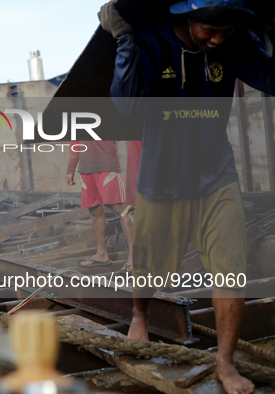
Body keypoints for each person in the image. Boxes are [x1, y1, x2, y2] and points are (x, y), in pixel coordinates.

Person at [102, 0, 275, 392]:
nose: (217, 40)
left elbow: (270, 78)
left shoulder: (235, 43)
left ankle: (225, 364)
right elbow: (127, 106)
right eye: (208, 31)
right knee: (148, 270)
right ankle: (140, 315)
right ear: (185, 18)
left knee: (231, 270)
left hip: (217, 177)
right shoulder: (149, 42)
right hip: (161, 182)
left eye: (225, 33)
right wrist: (124, 39)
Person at [66, 141, 134, 273]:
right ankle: (101, 254)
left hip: (106, 164)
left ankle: (134, 257)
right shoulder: (75, 120)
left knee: (121, 209)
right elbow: (75, 143)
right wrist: (70, 170)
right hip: (86, 168)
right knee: (94, 210)